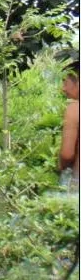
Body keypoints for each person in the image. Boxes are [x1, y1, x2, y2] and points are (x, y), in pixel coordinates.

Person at [59, 60, 79, 188]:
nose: (63, 88)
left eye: (66, 83)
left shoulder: (74, 109)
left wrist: (61, 166)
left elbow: (67, 153)